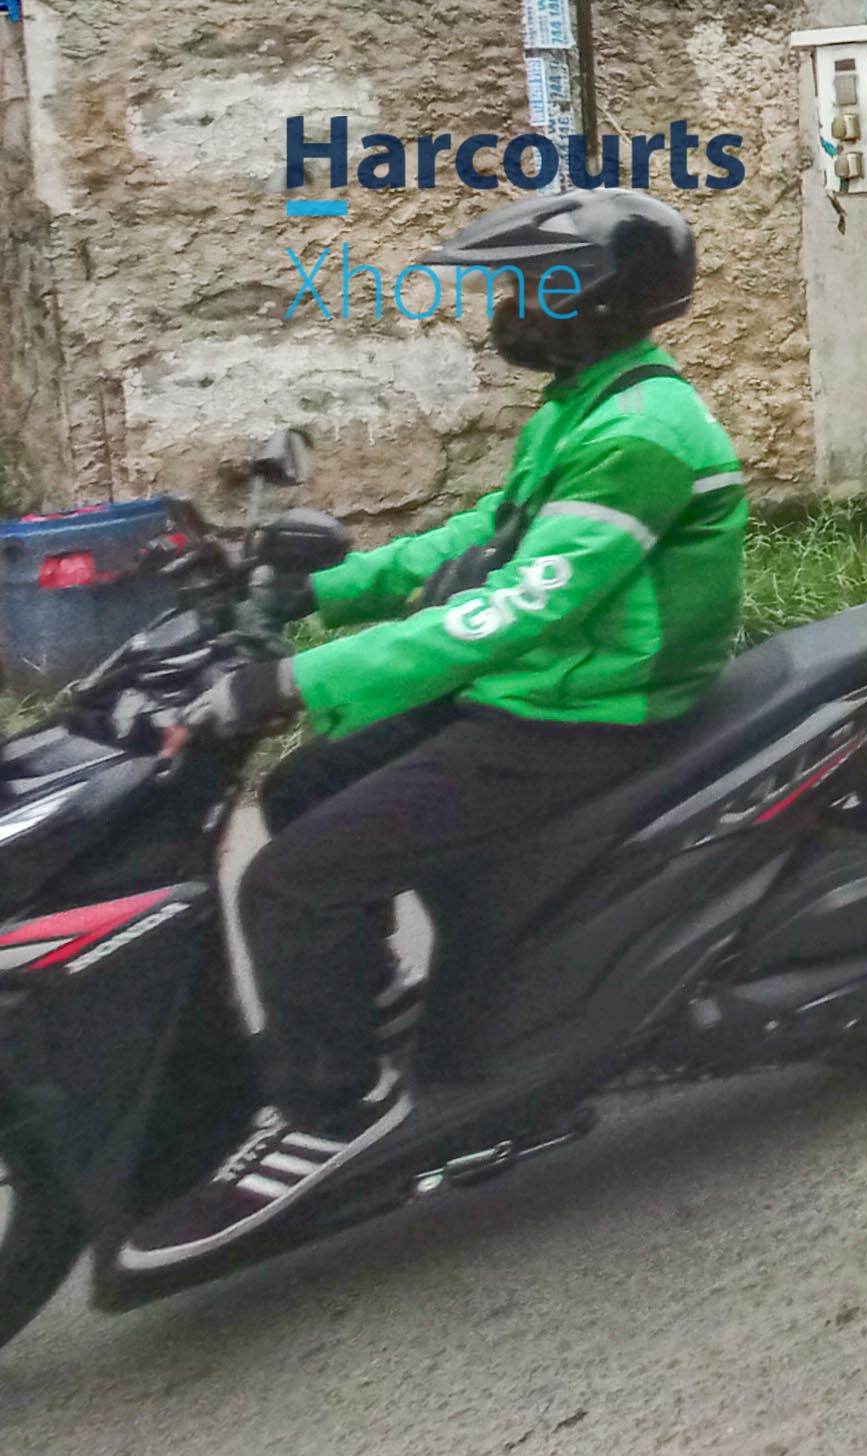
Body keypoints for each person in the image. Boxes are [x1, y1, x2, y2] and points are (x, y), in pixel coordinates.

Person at [124, 190, 747, 1269]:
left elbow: (516, 605)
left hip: (587, 711)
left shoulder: (643, 432)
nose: (505, 309)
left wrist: (294, 681)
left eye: (527, 290)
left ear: (595, 301)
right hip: (544, 683)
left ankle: (335, 1106)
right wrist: (321, 591)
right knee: (300, 793)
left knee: (292, 882)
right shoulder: (587, 401)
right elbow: (487, 535)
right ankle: (364, 1003)